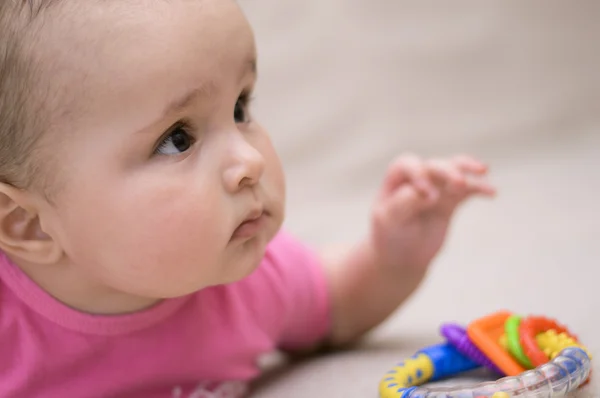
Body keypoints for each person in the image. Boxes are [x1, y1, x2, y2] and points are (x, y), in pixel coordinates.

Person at [0, 1, 496, 397]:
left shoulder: (248, 283)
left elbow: (336, 304)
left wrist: (393, 256)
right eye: (178, 138)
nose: (250, 161)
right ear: (29, 224)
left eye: (241, 106)